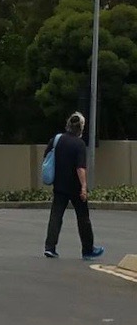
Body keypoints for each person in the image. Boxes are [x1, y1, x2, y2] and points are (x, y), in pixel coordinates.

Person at [43, 111, 105, 260]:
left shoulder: (57, 140)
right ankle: (87, 249)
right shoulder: (79, 144)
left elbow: (47, 156)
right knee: (83, 217)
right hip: (75, 187)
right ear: (81, 128)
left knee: (56, 215)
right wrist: (84, 187)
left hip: (59, 184)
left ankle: (50, 247)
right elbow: (80, 168)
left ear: (68, 124)